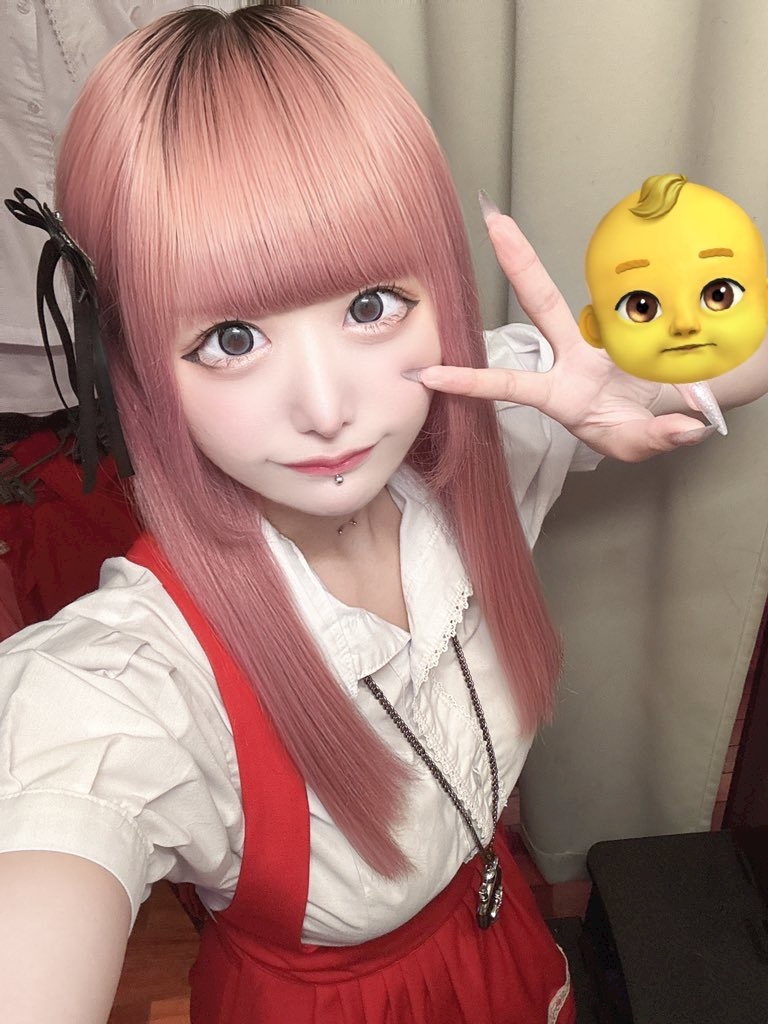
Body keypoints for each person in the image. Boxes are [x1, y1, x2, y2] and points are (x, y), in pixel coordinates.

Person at [1, 5, 766, 1023]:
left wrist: (638, 377)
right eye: (230, 338)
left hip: (502, 935)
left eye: (370, 307)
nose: (327, 409)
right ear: (133, 358)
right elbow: (51, 844)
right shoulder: (131, 675)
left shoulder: (492, 424)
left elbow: (741, 357)